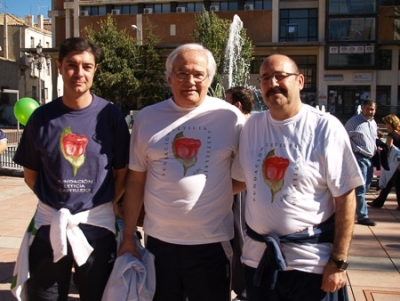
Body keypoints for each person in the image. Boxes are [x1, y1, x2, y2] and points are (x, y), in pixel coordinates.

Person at [118, 43, 246, 301]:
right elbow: (135, 182)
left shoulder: (230, 118)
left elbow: (241, 178)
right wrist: (129, 235)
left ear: (209, 78)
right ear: (169, 78)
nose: (190, 81)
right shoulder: (147, 118)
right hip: (159, 244)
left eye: (198, 74)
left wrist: (212, 192)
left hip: (212, 244)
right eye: (182, 73)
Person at [231, 54, 364, 301]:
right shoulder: (252, 127)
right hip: (258, 260)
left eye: (280, 76)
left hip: (310, 264)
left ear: (300, 81)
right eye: (266, 79)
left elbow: (346, 197)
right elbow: (240, 180)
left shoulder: (325, 127)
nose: (273, 84)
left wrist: (338, 261)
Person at [12, 37, 130, 301]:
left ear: (95, 69)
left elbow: (123, 172)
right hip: (49, 226)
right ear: (59, 67)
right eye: (72, 65)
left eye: (87, 66)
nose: (79, 73)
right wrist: (56, 202)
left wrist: (107, 202)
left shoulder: (111, 116)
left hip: (97, 226)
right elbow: (30, 175)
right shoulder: (41, 118)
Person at [225, 86, 254, 301]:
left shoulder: (244, 126)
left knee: (239, 233)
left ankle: (244, 290)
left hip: (239, 189)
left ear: (237, 105)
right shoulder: (245, 125)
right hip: (234, 187)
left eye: (226, 102)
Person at [344, 98, 378, 226]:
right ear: (362, 108)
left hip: (370, 158)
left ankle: (350, 206)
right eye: (368, 109)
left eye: (372, 109)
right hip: (359, 157)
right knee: (361, 187)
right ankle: (362, 216)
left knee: (367, 186)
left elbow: (373, 138)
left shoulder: (373, 122)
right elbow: (343, 137)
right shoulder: (354, 122)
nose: (370, 112)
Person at [368, 114, 400, 209]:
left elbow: (388, 148)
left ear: (390, 124)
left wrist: (381, 154)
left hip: (394, 163)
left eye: (386, 123)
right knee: (392, 183)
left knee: (394, 183)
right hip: (398, 162)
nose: (385, 125)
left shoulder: (391, 135)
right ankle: (378, 202)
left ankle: (378, 202)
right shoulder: (399, 133)